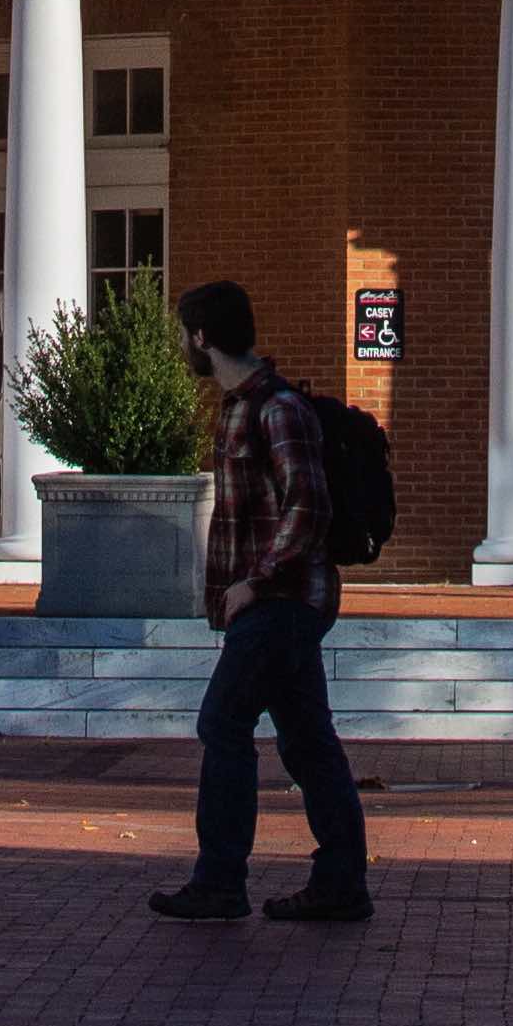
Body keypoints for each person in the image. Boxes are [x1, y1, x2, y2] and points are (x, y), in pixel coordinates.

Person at [149, 276, 373, 928]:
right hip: (270, 602)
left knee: (223, 724)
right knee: (307, 741)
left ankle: (220, 882)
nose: (182, 347)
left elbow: (308, 503)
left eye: (183, 335)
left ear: (201, 337)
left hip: (285, 600)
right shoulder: (238, 407)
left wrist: (256, 579)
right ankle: (340, 883)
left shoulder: (276, 409)